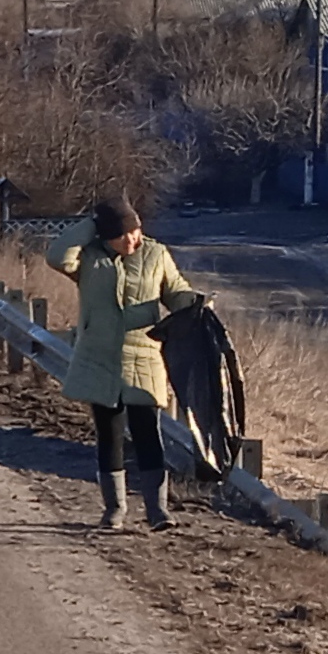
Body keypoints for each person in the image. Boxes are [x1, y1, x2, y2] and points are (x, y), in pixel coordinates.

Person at [46, 196, 201, 531]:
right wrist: (94, 224)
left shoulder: (156, 254)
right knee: (109, 436)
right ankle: (114, 510)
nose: (132, 239)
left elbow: (175, 292)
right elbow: (57, 256)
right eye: (122, 233)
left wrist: (194, 305)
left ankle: (157, 512)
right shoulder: (88, 258)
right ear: (104, 235)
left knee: (148, 434)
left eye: (135, 229)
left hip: (143, 356)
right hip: (99, 356)